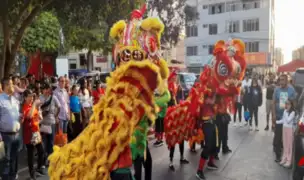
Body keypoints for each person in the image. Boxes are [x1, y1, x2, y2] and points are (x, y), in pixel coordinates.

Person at [21, 89, 45, 179]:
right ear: (25, 98)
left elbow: (37, 118)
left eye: (32, 96)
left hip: (36, 132)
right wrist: (34, 104)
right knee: (30, 154)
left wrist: (39, 113)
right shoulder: (25, 107)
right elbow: (29, 116)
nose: (31, 98)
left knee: (41, 151)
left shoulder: (32, 106)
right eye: (29, 96)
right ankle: (32, 173)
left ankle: (39, 168)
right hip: (29, 134)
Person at [0, 77, 21, 180]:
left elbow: (15, 116)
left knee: (14, 160)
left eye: (12, 84)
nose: (12, 86)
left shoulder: (15, 100)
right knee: (6, 162)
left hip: (16, 135)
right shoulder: (0, 100)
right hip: (5, 136)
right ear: (4, 86)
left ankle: (13, 177)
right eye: (10, 84)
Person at [273, 74, 297, 162]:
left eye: (283, 80)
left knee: (286, 138)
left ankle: (286, 155)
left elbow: (294, 103)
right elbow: (274, 102)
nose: (281, 82)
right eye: (280, 80)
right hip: (279, 117)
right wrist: (274, 115)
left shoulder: (291, 90)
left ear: (287, 81)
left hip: (288, 119)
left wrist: (293, 115)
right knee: (277, 137)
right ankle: (278, 155)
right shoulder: (277, 89)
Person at [39, 83, 60, 164]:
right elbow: (37, 109)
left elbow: (59, 107)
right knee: (43, 142)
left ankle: (50, 159)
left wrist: (56, 116)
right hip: (42, 123)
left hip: (51, 123)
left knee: (51, 142)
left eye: (47, 89)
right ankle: (44, 159)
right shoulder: (40, 98)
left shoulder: (53, 98)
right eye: (44, 89)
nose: (46, 91)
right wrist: (41, 112)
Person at [276, 99, 295, 168]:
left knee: (289, 145)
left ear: (291, 105)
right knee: (285, 144)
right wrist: (276, 122)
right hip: (284, 128)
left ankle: (289, 160)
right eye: (286, 104)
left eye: (288, 104)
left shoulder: (292, 112)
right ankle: (284, 158)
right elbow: (283, 120)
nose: (286, 105)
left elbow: (288, 120)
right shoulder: (285, 111)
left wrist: (285, 112)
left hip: (289, 129)